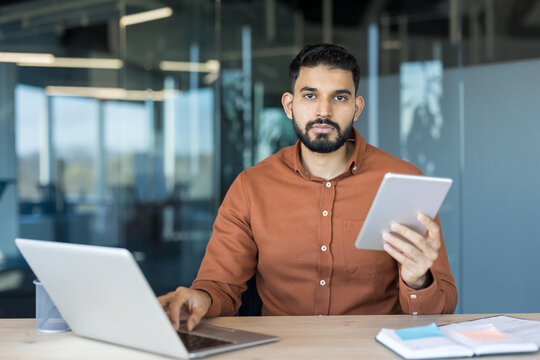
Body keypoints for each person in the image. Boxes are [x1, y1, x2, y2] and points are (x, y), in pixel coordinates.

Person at [158, 44, 458, 331]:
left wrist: (418, 280)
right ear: (290, 105)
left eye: (339, 98)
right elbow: (220, 285)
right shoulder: (251, 187)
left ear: (357, 107)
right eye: (310, 96)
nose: (324, 111)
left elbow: (442, 308)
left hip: (375, 350)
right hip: (281, 352)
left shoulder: (403, 181)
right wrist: (202, 298)